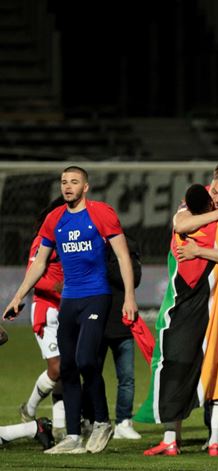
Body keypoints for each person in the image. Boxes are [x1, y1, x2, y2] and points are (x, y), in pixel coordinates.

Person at [4, 166, 138, 454]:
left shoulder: (102, 214)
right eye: (64, 182)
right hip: (69, 300)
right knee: (67, 368)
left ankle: (102, 421)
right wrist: (17, 296)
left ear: (86, 187)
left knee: (87, 360)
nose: (68, 186)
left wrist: (129, 297)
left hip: (96, 297)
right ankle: (73, 437)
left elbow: (122, 255)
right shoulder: (54, 219)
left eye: (74, 182)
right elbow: (39, 263)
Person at [136, 176, 218, 457]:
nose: (217, 198)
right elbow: (179, 223)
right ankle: (171, 439)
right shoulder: (203, 211)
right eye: (214, 193)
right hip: (184, 304)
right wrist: (217, 213)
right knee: (175, 365)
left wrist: (199, 250)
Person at [19, 197, 65, 440]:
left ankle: (59, 427)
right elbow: (33, 275)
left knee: (67, 369)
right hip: (46, 310)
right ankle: (29, 407)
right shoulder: (42, 241)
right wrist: (58, 286)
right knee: (57, 367)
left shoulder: (72, 239)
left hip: (68, 309)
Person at [102, 235, 143, 440]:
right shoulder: (97, 246)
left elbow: (134, 277)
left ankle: (123, 422)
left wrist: (115, 265)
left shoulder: (130, 246)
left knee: (127, 378)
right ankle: (93, 420)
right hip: (98, 321)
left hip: (124, 322)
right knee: (92, 375)